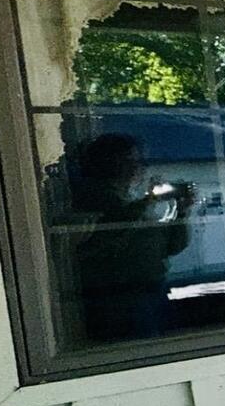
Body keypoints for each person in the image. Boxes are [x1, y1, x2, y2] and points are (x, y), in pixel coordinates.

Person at [65, 133, 195, 343]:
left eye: (138, 160)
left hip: (149, 294)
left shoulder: (131, 200)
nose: (138, 166)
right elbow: (114, 225)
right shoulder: (97, 197)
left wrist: (181, 212)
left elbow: (171, 246)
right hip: (120, 300)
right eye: (130, 160)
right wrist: (149, 200)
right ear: (110, 163)